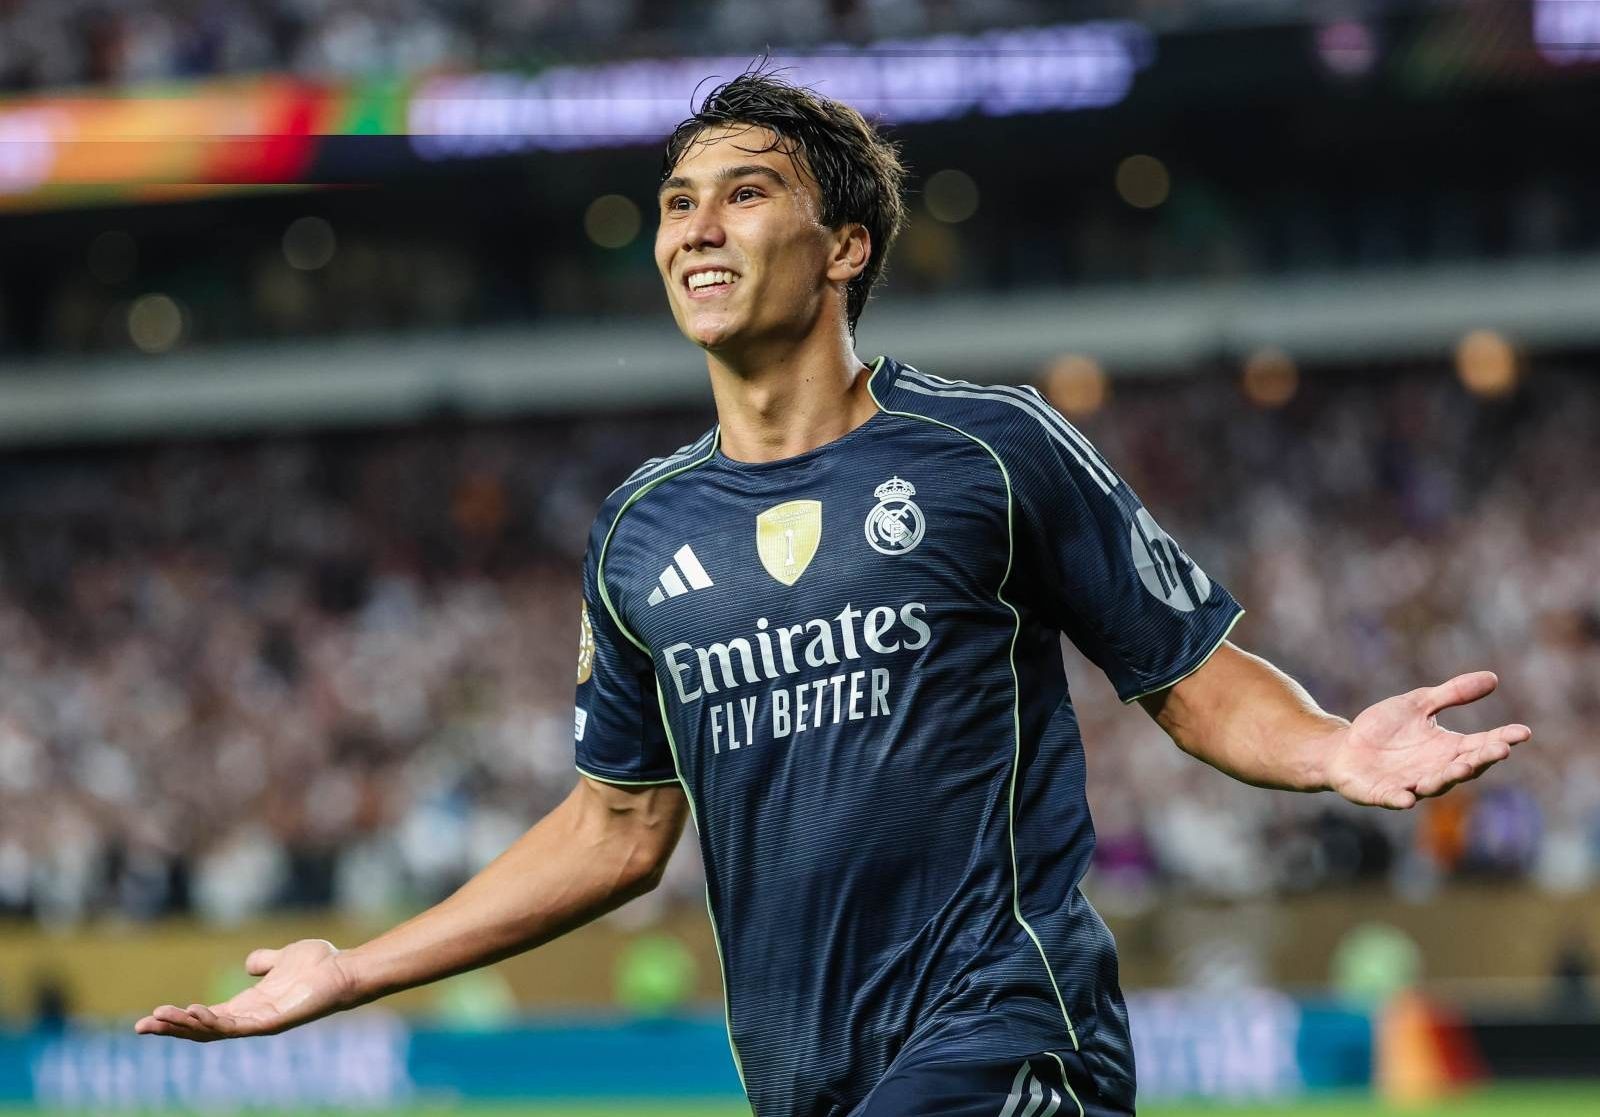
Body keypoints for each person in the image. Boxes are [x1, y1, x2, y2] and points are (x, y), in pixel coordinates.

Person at [135, 71, 1533, 1117]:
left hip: (1011, 1037)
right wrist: (355, 968)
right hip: (804, 1077)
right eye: (677, 203)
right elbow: (616, 829)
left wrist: (1332, 744)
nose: (697, 227)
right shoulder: (639, 534)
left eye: (745, 193)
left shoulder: (994, 449)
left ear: (846, 246)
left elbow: (1189, 676)